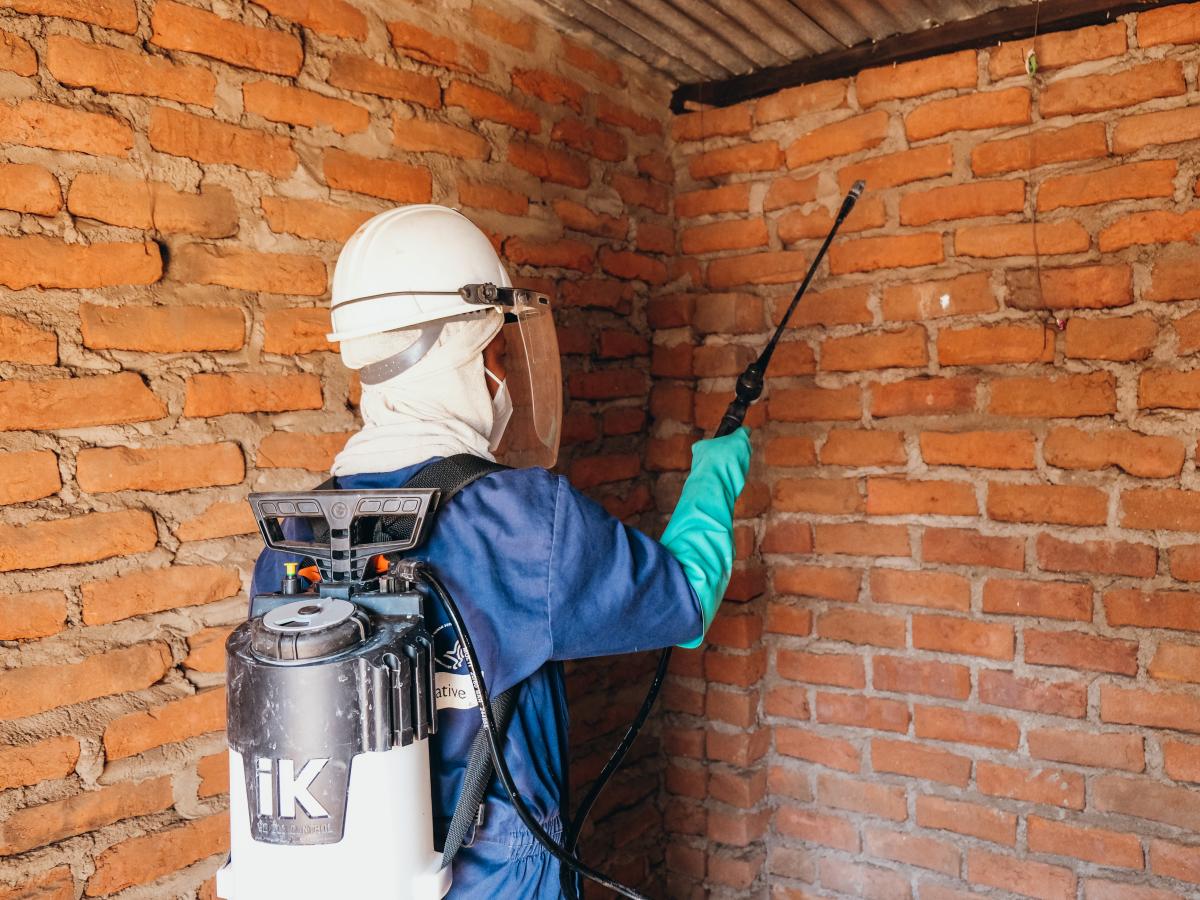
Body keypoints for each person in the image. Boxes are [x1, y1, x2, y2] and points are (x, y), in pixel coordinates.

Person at [250, 204, 751, 898]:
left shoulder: (294, 534)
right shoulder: (519, 517)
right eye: (493, 354)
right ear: (458, 355)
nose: (501, 375)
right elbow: (686, 597)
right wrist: (713, 478)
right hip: (497, 873)